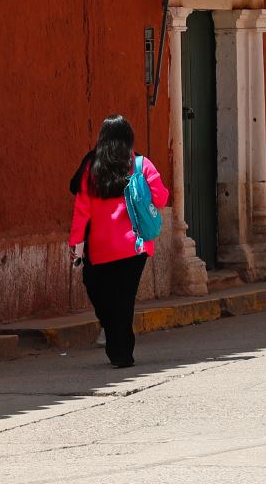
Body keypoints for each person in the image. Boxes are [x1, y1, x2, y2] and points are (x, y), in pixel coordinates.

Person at [68, 114, 169, 369]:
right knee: (124, 300)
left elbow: (82, 209)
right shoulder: (141, 164)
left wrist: (76, 244)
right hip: (135, 247)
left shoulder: (92, 168)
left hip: (101, 249)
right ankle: (121, 351)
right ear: (128, 139)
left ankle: (119, 348)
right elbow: (161, 198)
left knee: (100, 293)